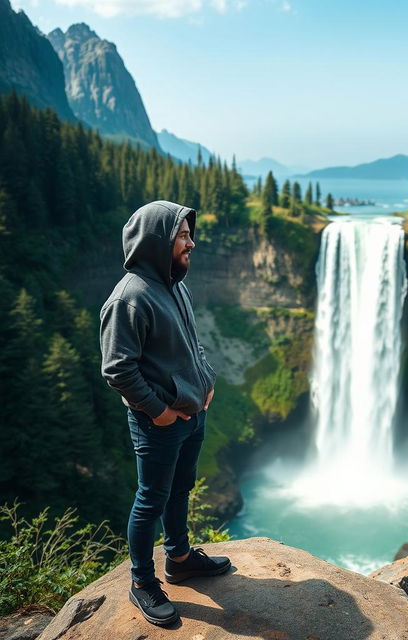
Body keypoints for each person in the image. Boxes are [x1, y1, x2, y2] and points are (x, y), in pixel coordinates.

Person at [99, 200, 231, 627]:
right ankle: (141, 583)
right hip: (160, 422)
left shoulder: (177, 285)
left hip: (193, 412)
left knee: (181, 488)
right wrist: (158, 411)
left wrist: (206, 380)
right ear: (159, 241)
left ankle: (179, 558)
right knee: (150, 499)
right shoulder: (129, 298)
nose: (191, 242)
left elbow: (195, 343)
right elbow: (117, 367)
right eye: (183, 235)